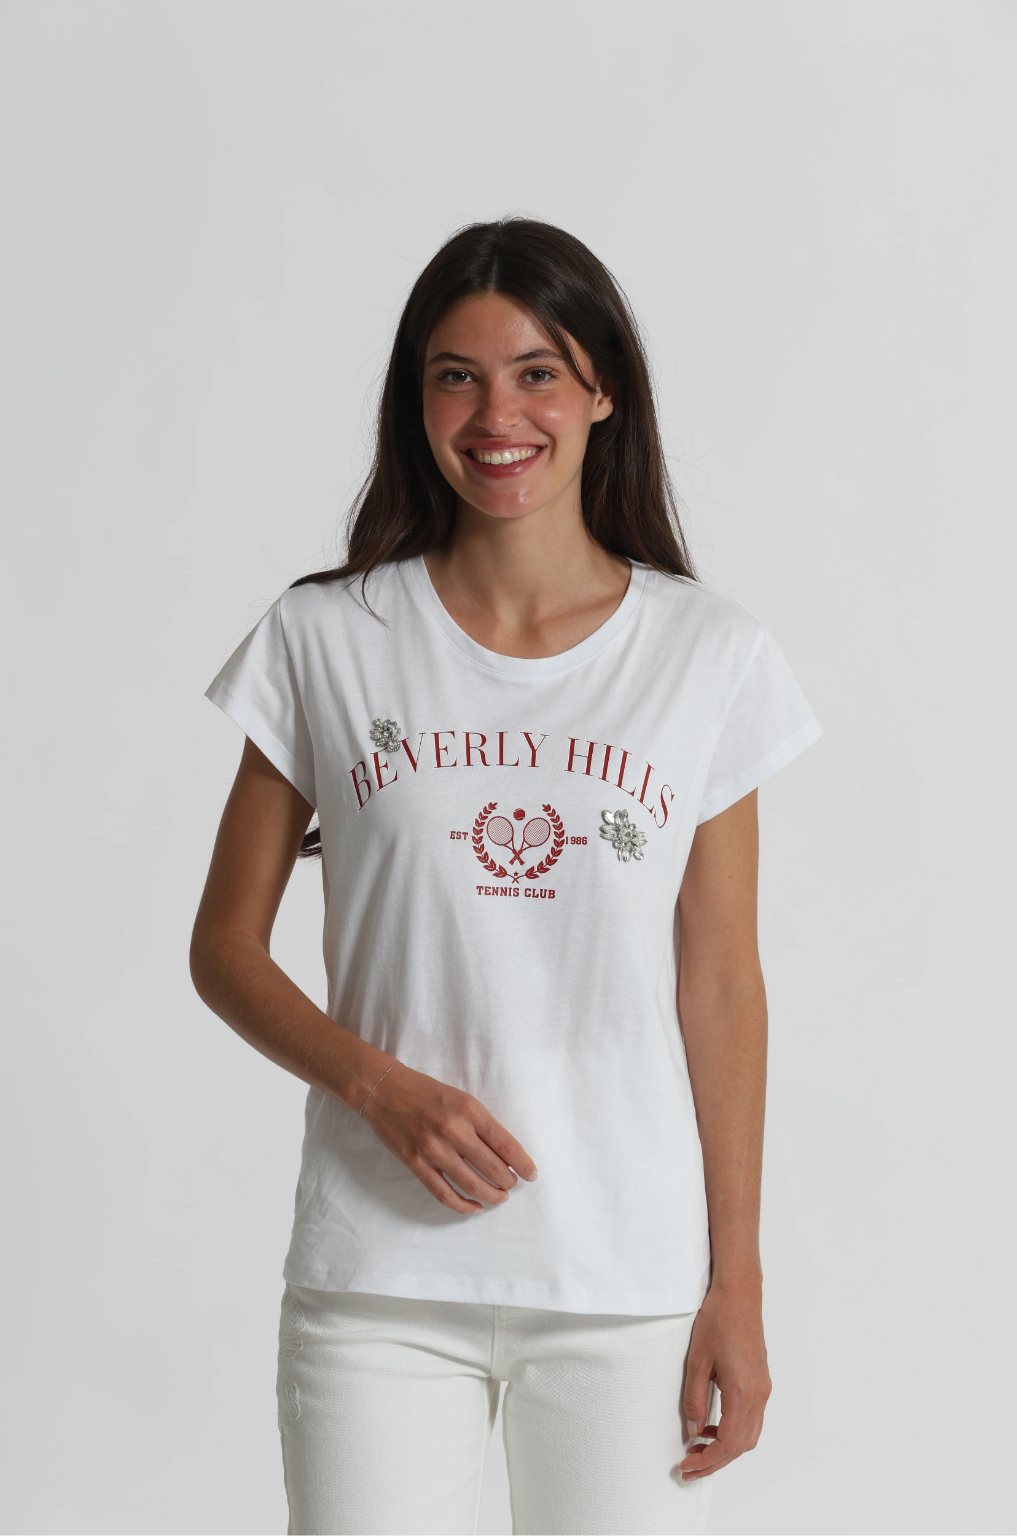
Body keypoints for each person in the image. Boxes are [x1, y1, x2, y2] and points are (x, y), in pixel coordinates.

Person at [190, 217, 822, 1536]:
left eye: (538, 373)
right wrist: (382, 1089)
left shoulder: (706, 655)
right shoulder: (327, 636)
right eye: (456, 377)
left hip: (623, 1281)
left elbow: (721, 985)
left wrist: (740, 1285)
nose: (496, 416)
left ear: (603, 392)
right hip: (376, 1283)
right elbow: (226, 951)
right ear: (415, 402)